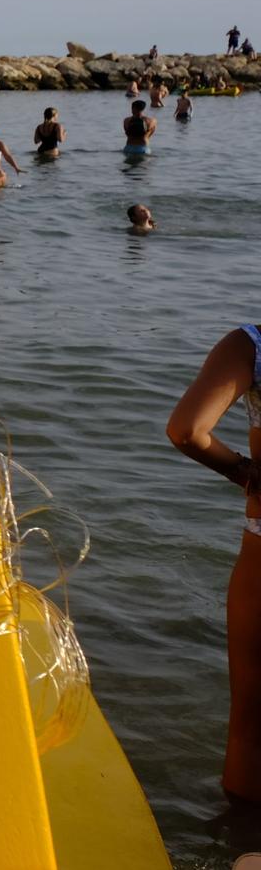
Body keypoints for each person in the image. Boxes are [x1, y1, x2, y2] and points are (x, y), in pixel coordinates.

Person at [165, 326, 261, 801]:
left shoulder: (251, 344)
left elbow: (187, 431)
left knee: (250, 723)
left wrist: (243, 471)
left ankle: (239, 842)